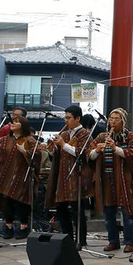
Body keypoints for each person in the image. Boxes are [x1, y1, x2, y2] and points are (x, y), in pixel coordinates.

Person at [88, 108, 133, 253]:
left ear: (123, 121)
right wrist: (96, 151)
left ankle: (129, 242)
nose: (112, 121)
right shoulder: (101, 136)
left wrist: (115, 148)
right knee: (109, 212)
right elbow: (89, 155)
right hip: (107, 179)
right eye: (111, 118)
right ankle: (113, 241)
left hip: (125, 179)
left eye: (116, 119)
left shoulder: (130, 136)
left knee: (128, 212)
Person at [45, 105, 93, 247]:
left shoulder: (85, 134)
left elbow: (83, 154)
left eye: (69, 118)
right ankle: (67, 237)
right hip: (63, 176)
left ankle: (81, 239)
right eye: (65, 118)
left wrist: (63, 144)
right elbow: (57, 157)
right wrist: (52, 149)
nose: (66, 121)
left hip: (78, 176)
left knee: (77, 209)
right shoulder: (65, 135)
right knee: (61, 208)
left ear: (78, 118)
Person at [0, 116, 39, 239]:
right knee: (7, 202)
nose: (13, 123)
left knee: (22, 202)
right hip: (8, 175)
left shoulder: (30, 140)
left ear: (23, 125)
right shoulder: (5, 140)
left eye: (17, 122)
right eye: (13, 121)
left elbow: (36, 157)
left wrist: (24, 152)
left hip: (23, 176)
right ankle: (8, 227)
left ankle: (23, 227)